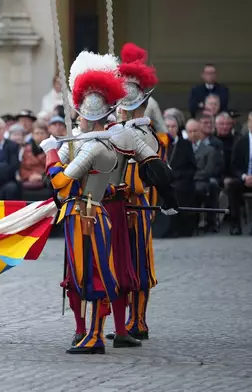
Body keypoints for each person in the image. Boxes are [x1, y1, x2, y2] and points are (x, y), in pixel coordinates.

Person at [42, 51, 126, 354]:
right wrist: (63, 148)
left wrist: (51, 152)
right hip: (77, 215)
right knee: (76, 275)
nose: (77, 119)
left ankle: (95, 336)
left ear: (89, 117)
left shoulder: (95, 148)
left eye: (80, 116)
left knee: (95, 274)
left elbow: (60, 182)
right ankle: (85, 332)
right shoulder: (86, 143)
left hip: (89, 214)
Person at [107, 43, 179, 341]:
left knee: (138, 261)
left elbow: (157, 155)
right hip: (118, 201)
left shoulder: (147, 121)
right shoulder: (115, 119)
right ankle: (123, 323)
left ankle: (139, 321)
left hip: (138, 200)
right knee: (119, 261)